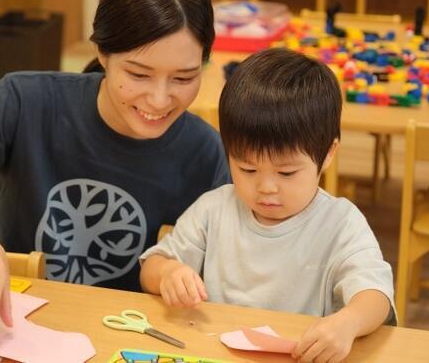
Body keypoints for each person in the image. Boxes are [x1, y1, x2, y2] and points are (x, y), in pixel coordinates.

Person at [0, 0, 229, 343]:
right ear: (102, 52)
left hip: (123, 335)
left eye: (184, 78)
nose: (159, 99)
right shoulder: (22, 102)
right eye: (138, 75)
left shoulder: (204, 150)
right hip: (8, 330)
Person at [140, 48, 396, 363]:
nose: (266, 187)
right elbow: (152, 265)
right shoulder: (214, 208)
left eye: (286, 172)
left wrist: (349, 321)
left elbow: (376, 295)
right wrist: (168, 272)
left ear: (328, 154)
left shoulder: (340, 223)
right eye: (247, 169)